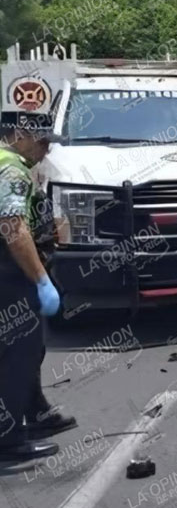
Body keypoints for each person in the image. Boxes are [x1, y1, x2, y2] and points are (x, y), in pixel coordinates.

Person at [0, 122, 72, 462]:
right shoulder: (11, 169)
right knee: (19, 355)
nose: (46, 150)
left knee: (29, 349)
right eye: (42, 142)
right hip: (10, 276)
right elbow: (13, 227)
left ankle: (36, 412)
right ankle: (8, 441)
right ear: (20, 135)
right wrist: (42, 280)